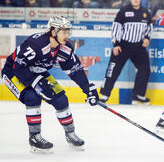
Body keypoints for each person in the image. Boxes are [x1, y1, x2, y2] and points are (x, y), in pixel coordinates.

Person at [1, 16, 98, 153]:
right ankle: (34, 137)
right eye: (63, 32)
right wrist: (35, 83)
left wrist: (88, 89)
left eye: (68, 31)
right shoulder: (37, 45)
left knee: (61, 99)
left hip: (37, 71)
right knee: (32, 97)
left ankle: (70, 134)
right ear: (53, 32)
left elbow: (75, 71)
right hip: (13, 71)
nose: (67, 35)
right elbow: (19, 67)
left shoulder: (65, 49)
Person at [99, 0, 152, 104]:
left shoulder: (145, 13)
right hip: (123, 45)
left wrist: (147, 38)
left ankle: (138, 95)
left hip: (138, 47)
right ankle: (104, 94)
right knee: (113, 69)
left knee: (145, 69)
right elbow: (116, 27)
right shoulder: (123, 11)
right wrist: (116, 44)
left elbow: (149, 27)